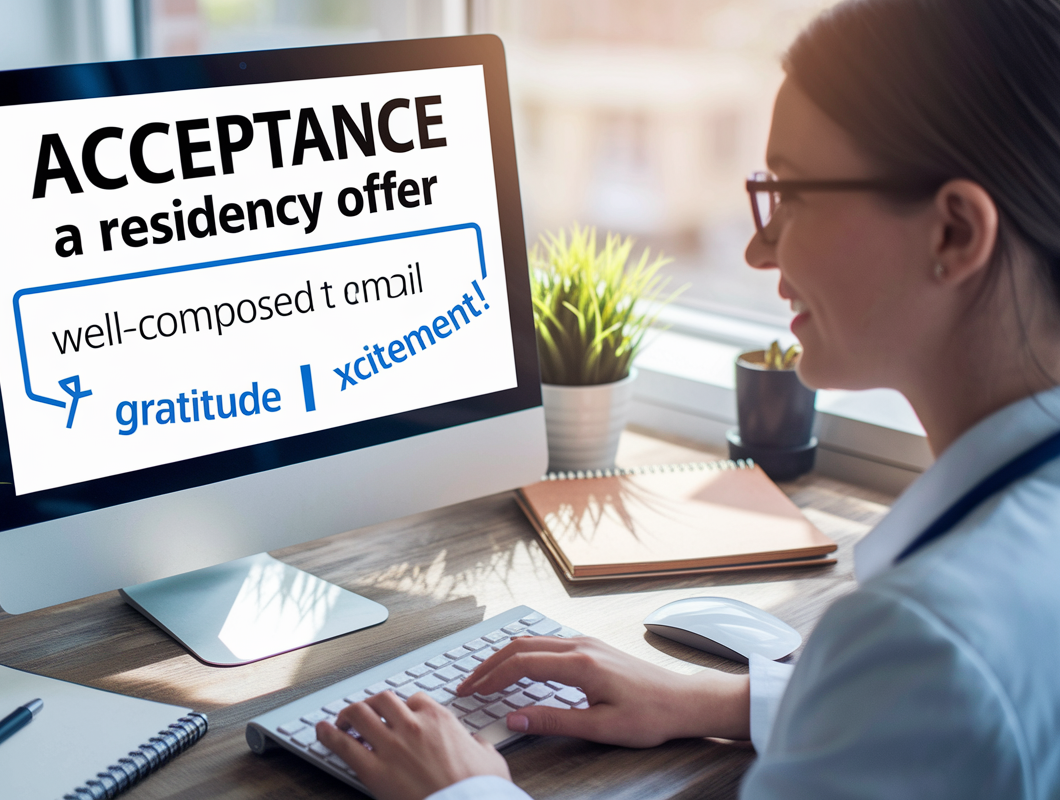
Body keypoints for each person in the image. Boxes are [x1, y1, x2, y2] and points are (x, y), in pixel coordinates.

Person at [314, 0, 1060, 797]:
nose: (757, 245)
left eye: (793, 196)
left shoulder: (930, 639)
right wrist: (722, 699)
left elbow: (935, 697)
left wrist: (460, 792)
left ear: (953, 232)